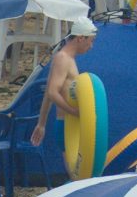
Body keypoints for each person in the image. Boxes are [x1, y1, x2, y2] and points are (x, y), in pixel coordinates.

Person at [31, 17, 98, 147]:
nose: (91, 46)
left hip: (68, 123)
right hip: (67, 123)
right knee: (72, 167)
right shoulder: (63, 58)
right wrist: (74, 112)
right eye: (90, 41)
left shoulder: (65, 58)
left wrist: (41, 124)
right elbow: (52, 92)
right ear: (80, 38)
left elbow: (48, 93)